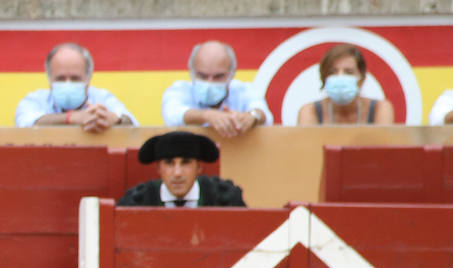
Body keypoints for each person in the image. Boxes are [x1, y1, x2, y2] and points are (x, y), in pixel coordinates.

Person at [14, 42, 136, 132]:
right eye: (60, 79)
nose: (68, 83)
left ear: (88, 79)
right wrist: (70, 118)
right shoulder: (34, 100)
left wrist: (114, 120)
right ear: (49, 80)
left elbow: (132, 124)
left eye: (75, 78)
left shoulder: (102, 98)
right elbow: (24, 124)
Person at [161, 40, 270, 138]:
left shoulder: (244, 90)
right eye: (202, 76)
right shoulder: (179, 90)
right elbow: (172, 114)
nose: (209, 82)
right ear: (192, 73)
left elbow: (262, 112)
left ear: (231, 75)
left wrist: (251, 117)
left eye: (218, 76)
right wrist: (207, 116)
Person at [117, 130, 246, 208]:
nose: (177, 173)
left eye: (185, 163)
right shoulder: (137, 202)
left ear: (199, 167)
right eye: (169, 163)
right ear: (158, 168)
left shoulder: (227, 200)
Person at [296, 44, 394, 125]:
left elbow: (383, 145)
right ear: (324, 78)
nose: (340, 77)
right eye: (333, 72)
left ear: (362, 78)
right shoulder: (310, 111)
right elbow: (308, 147)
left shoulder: (379, 108)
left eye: (349, 72)